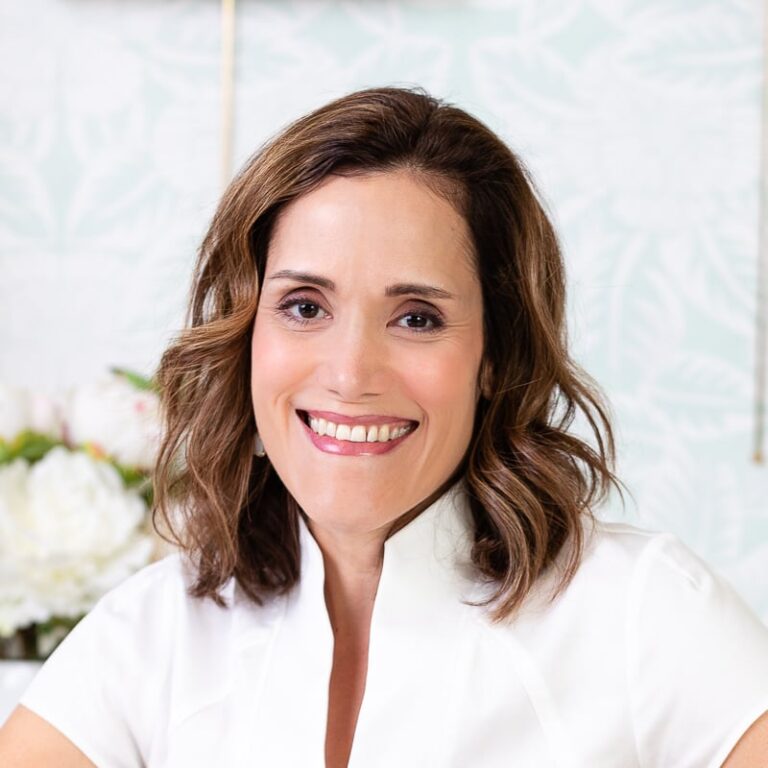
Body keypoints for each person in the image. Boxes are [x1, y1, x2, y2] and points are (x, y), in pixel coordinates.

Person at [1, 85, 767, 768]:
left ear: (495, 355)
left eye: (416, 317)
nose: (350, 373)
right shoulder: (151, 633)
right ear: (247, 334)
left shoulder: (644, 613)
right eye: (305, 306)